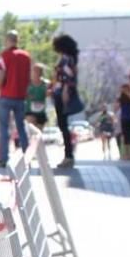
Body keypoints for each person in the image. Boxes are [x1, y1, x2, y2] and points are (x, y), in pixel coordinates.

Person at [0, 30, 32, 169]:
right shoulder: (26, 56)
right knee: (21, 127)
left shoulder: (5, 56)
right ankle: (27, 156)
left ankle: (3, 159)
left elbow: (2, 75)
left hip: (6, 95)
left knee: (3, 128)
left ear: (7, 40)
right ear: (17, 40)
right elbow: (28, 77)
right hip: (20, 97)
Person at [50, 34, 82, 168]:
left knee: (63, 125)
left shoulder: (67, 59)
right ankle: (68, 154)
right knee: (63, 125)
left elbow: (68, 77)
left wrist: (64, 91)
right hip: (59, 91)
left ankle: (69, 155)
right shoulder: (68, 58)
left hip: (62, 92)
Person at [25, 63, 49, 129]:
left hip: (41, 112)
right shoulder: (27, 83)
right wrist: (27, 95)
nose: (34, 72)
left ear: (41, 72)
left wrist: (48, 93)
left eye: (37, 70)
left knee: (39, 134)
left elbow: (48, 96)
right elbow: (22, 95)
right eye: (33, 70)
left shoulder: (46, 84)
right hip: (30, 111)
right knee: (33, 131)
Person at [117, 83, 130, 159]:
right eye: (123, 89)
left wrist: (128, 93)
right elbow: (116, 107)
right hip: (124, 118)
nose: (124, 90)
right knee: (126, 136)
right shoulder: (120, 98)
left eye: (125, 88)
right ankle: (126, 153)